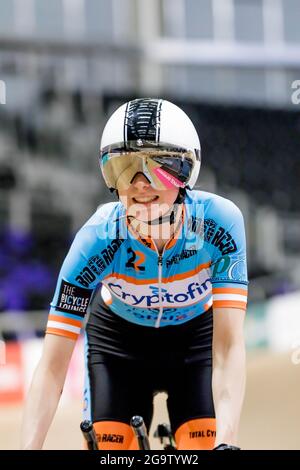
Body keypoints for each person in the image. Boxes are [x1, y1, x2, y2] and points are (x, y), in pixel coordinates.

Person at [21, 98, 247, 450]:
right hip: (118, 348)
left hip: (195, 344)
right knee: (112, 450)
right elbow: (52, 367)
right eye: (124, 167)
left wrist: (227, 442)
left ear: (188, 171)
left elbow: (229, 346)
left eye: (158, 165)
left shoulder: (219, 223)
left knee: (203, 445)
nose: (140, 184)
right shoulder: (96, 238)